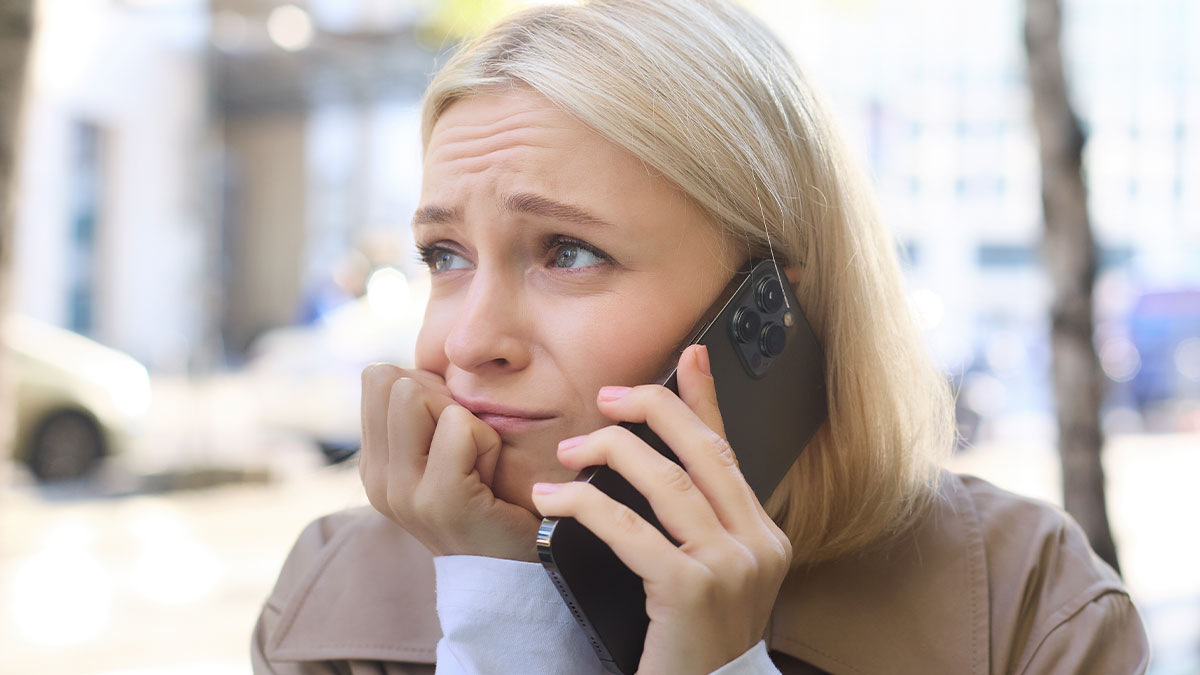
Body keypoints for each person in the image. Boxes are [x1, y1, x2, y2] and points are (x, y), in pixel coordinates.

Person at [252, 1, 1150, 673]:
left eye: (568, 250)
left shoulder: (1025, 599)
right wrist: (503, 615)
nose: (468, 339)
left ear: (769, 311)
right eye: (443, 255)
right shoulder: (332, 590)